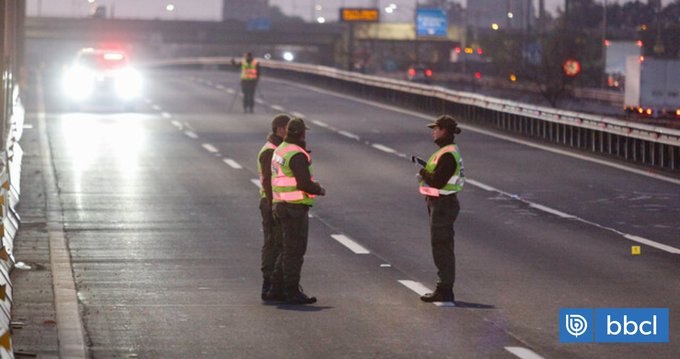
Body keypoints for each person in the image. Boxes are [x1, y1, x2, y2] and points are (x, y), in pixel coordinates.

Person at [269, 118, 326, 304]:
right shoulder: (297, 154)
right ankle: (291, 291)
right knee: (294, 252)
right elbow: (303, 183)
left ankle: (275, 289)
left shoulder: (280, 149)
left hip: (280, 205)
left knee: (286, 250)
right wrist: (318, 188)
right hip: (294, 209)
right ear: (302, 133)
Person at [417, 115, 465, 303]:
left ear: (445, 131)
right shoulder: (447, 151)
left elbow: (438, 181)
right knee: (442, 245)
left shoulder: (447, 154)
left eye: (435, 129)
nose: (433, 132)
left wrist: (422, 172)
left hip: (443, 205)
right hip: (441, 203)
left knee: (441, 246)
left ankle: (444, 289)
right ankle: (445, 288)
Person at [258, 114, 291, 301]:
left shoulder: (278, 148)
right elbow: (268, 182)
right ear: (279, 129)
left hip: (275, 201)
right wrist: (272, 206)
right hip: (270, 202)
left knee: (279, 243)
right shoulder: (270, 151)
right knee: (272, 243)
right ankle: (268, 284)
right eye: (288, 128)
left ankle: (275, 285)